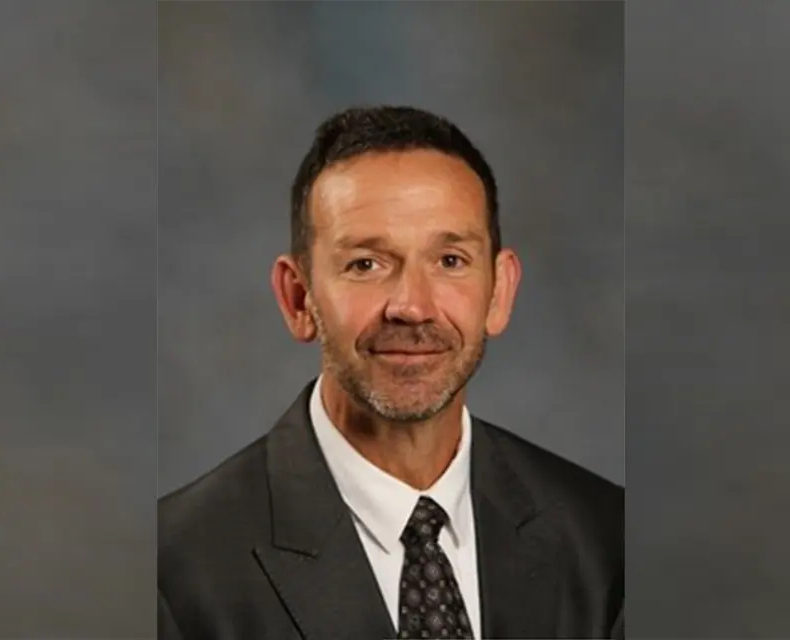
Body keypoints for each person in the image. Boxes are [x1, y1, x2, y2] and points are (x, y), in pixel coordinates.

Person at [158, 105, 624, 640]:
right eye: (366, 264)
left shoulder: (609, 542)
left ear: (499, 292)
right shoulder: (172, 574)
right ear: (298, 298)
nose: (412, 307)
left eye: (450, 260)